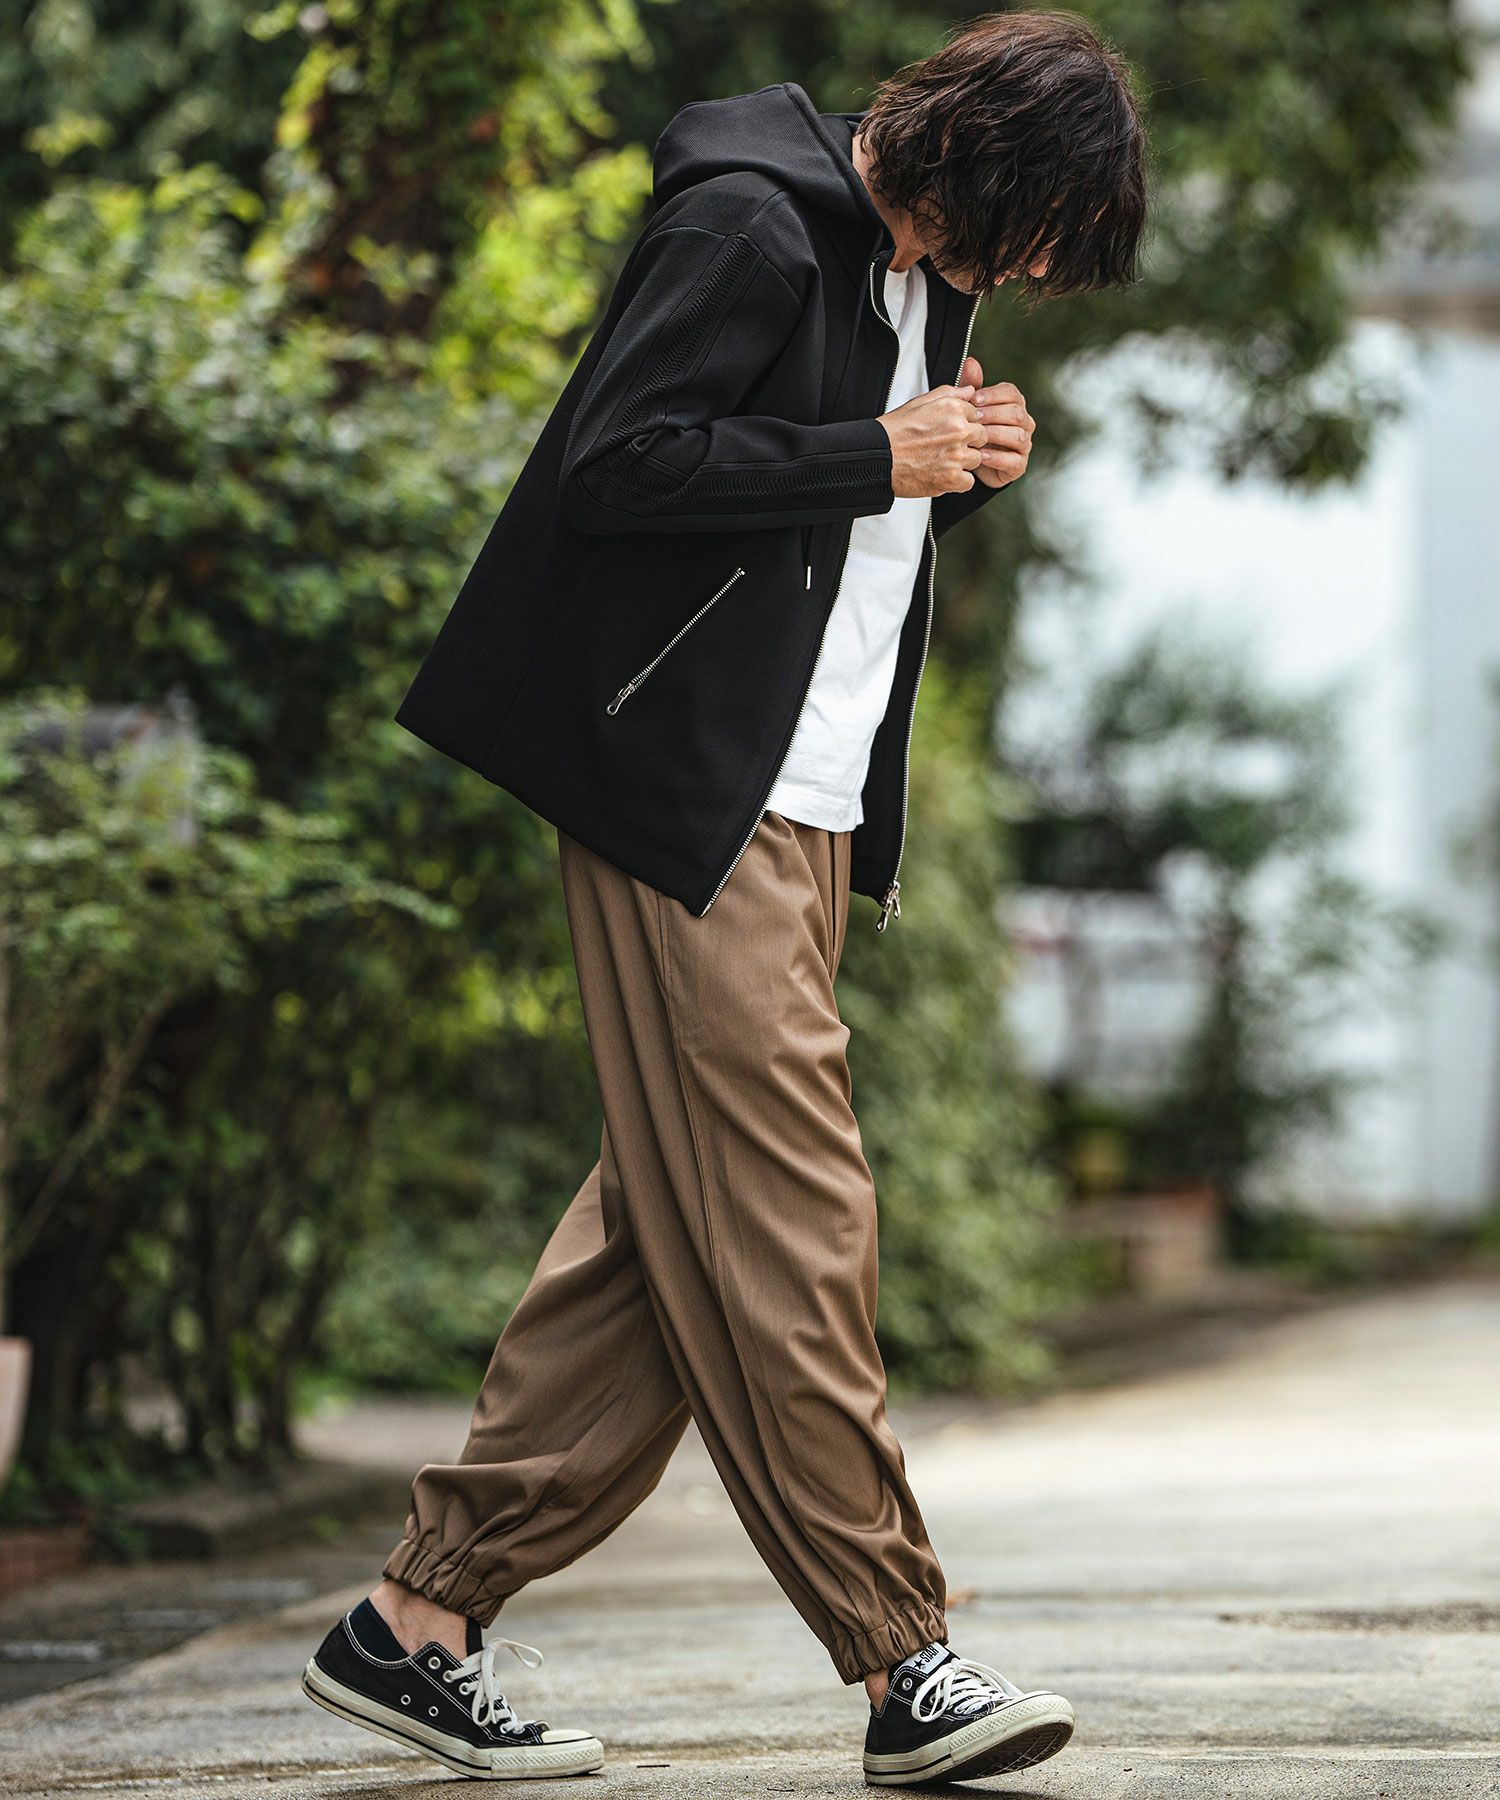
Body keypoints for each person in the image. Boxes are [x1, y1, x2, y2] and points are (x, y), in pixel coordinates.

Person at [302, 10, 1146, 1786]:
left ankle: (417, 1618)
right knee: (789, 1221)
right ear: (976, 163)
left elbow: (820, 535)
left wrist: (951, 470)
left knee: (664, 1238)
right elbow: (619, 465)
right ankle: (904, 1660)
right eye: (1036, 238)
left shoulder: (919, 272)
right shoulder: (750, 224)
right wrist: (881, 453)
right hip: (690, 792)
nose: (1028, 276)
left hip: (809, 804)